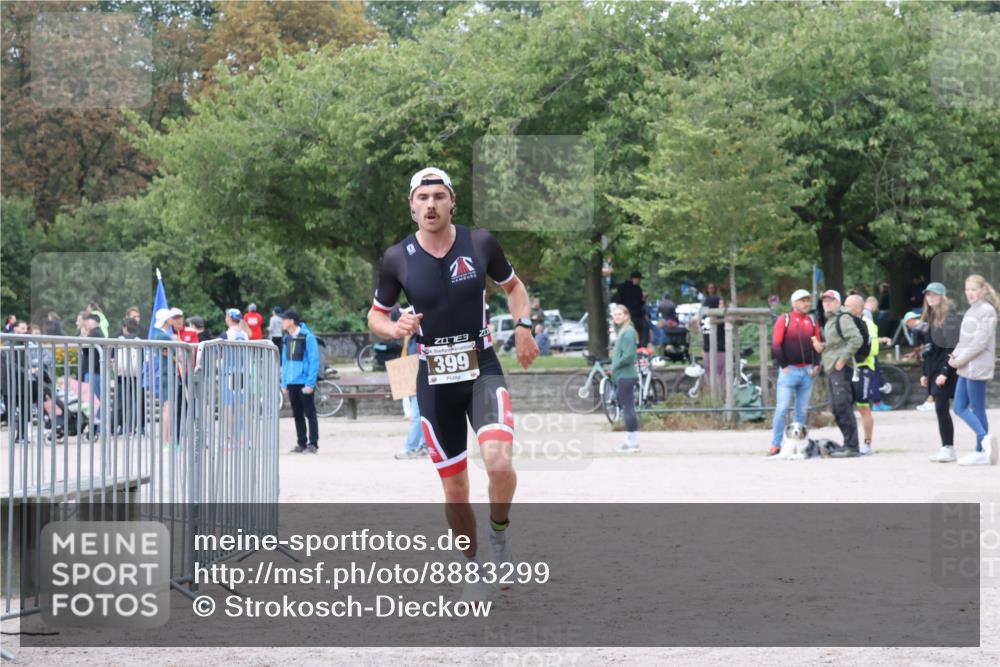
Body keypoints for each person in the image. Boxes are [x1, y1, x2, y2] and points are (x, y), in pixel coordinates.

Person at [367, 167, 539, 604]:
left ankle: (499, 538)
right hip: (434, 377)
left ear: (452, 201)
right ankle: (472, 563)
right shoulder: (396, 258)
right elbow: (375, 315)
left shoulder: (479, 243)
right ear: (411, 204)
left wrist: (523, 327)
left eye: (438, 196)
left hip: (481, 363)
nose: (430, 204)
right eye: (422, 197)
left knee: (498, 460)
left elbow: (515, 288)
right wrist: (393, 327)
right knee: (456, 489)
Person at [948, 274, 999, 466]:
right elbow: (966, 340)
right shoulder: (971, 311)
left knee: (977, 407)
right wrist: (955, 355)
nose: (970, 293)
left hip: (977, 366)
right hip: (966, 365)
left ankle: (983, 444)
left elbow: (979, 342)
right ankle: (983, 444)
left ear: (983, 290)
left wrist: (959, 359)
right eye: (967, 289)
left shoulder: (987, 311)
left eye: (973, 289)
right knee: (960, 407)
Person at [912, 283, 962, 463]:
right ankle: (947, 447)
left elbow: (952, 347)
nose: (930, 297)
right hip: (934, 369)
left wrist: (945, 372)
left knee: (950, 407)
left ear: (942, 296)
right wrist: (925, 373)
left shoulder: (950, 317)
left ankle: (957, 446)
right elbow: (928, 349)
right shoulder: (929, 317)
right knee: (942, 408)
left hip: (947, 368)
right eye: (928, 295)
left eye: (934, 295)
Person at [768, 289, 820, 456]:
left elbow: (816, 344)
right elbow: (776, 344)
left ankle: (798, 445)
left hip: (807, 371)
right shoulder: (784, 319)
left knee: (801, 411)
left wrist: (816, 365)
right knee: (782, 408)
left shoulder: (812, 321)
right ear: (794, 303)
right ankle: (776, 444)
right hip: (789, 370)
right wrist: (783, 366)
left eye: (808, 300)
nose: (806, 303)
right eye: (802, 300)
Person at [812, 290, 863, 457]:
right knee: (837, 408)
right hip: (833, 368)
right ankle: (847, 444)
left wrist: (842, 359)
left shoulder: (843, 318)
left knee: (843, 406)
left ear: (838, 302)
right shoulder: (832, 319)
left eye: (830, 300)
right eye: (824, 300)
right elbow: (837, 344)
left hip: (841, 369)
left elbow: (856, 339)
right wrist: (823, 346)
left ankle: (852, 447)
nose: (826, 303)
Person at [281, 308, 320, 454]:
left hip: (304, 382)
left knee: (310, 413)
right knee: (297, 414)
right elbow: (284, 361)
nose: (282, 323)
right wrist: (284, 382)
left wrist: (310, 383)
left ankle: (313, 444)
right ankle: (301, 443)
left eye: (284, 320)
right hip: (292, 382)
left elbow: (314, 361)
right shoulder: (287, 338)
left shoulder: (307, 337)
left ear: (291, 321)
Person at [846, 294, 879, 455]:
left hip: (863, 368)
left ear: (858, 309)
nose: (844, 309)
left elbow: (873, 349)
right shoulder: (845, 324)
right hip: (847, 369)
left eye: (849, 306)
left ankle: (867, 443)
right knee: (845, 406)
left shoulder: (867, 324)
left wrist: (853, 353)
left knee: (863, 407)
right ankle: (851, 442)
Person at [611, 304, 640, 453]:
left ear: (626, 316)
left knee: (628, 407)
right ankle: (631, 440)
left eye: (620, 314)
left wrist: (615, 365)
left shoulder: (628, 332)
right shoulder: (622, 331)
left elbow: (629, 355)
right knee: (627, 406)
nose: (617, 317)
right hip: (623, 375)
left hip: (626, 375)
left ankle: (632, 442)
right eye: (615, 315)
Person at [395, 332, 429, 460]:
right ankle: (425, 446)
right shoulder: (411, 338)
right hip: (416, 380)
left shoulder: (416, 339)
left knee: (416, 416)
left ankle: (411, 448)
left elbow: (417, 361)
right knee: (422, 416)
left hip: (418, 381)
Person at [114, 318, 143, 435]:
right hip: (136, 374)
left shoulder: (119, 340)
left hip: (121, 374)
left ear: (125, 327)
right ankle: (131, 427)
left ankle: (117, 427)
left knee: (120, 402)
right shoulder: (139, 340)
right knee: (133, 402)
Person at [698, 282, 727, 387]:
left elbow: (701, 326)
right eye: (720, 304)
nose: (722, 306)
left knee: (708, 371)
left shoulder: (704, 315)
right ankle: (721, 395)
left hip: (707, 347)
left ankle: (711, 394)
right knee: (721, 373)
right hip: (719, 347)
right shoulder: (719, 318)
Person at [615, 271, 648, 347]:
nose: (640, 281)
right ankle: (641, 347)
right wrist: (644, 299)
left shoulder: (622, 288)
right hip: (635, 316)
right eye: (639, 279)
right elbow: (639, 304)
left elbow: (618, 301)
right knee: (643, 330)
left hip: (627, 316)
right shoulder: (637, 289)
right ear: (634, 279)